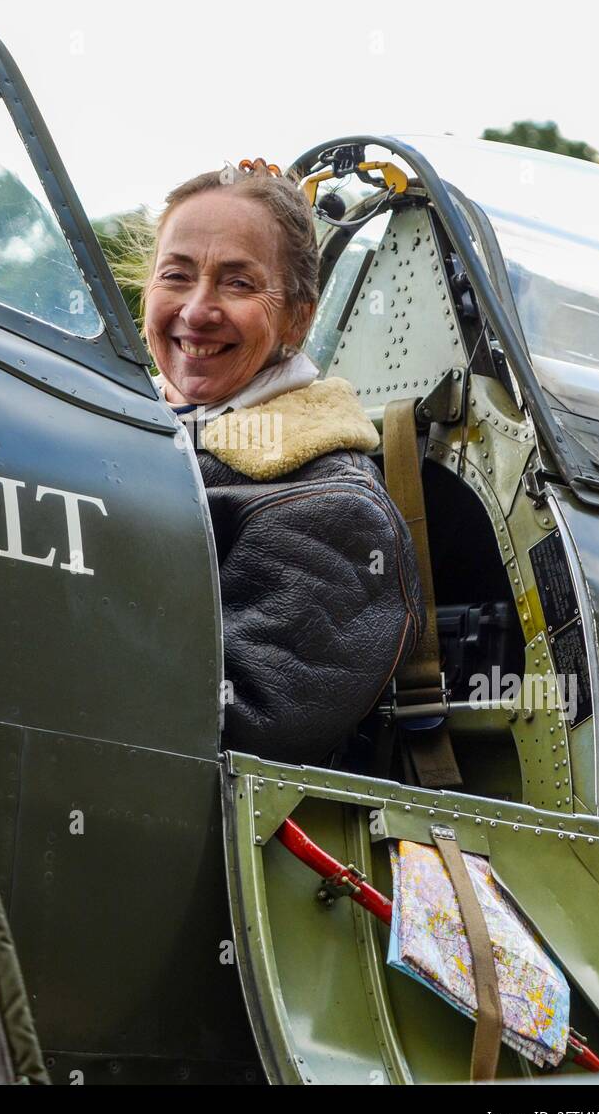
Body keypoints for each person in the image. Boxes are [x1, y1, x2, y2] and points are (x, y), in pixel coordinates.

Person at [137, 157, 424, 766]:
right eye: (176, 276)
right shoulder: (108, 434)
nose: (196, 311)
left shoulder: (335, 508)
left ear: (299, 316)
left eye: (238, 284)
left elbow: (241, 726)